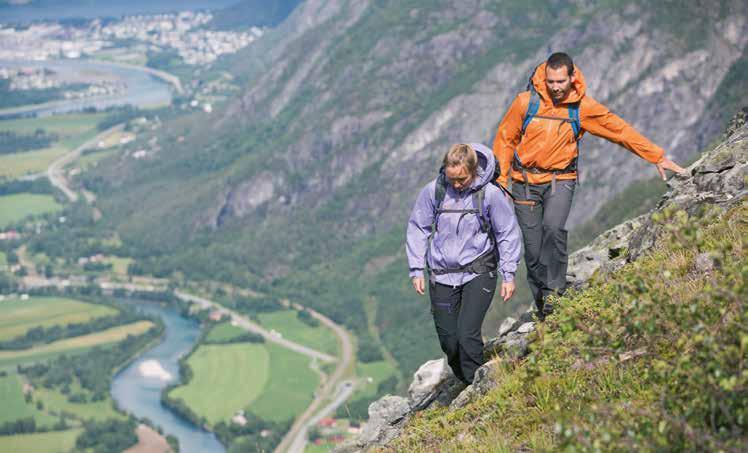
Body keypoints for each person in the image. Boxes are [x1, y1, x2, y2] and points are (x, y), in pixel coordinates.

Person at [493, 52, 686, 319]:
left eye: (561, 81)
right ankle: (543, 305)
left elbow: (619, 130)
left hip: (561, 179)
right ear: (544, 78)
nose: (556, 87)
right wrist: (501, 180)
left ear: (572, 77)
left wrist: (655, 155)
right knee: (534, 249)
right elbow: (505, 139)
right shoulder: (526, 103)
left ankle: (556, 293)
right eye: (551, 81)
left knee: (553, 228)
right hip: (524, 183)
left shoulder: (581, 107)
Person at [406, 143, 522, 385]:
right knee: (449, 340)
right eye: (452, 179)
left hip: (478, 272)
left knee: (467, 334)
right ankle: (466, 379)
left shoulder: (489, 194)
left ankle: (478, 388)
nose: (456, 185)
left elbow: (507, 233)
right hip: (442, 274)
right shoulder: (434, 192)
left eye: (462, 179)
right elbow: (418, 228)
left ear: (474, 170)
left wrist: (508, 274)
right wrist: (416, 269)